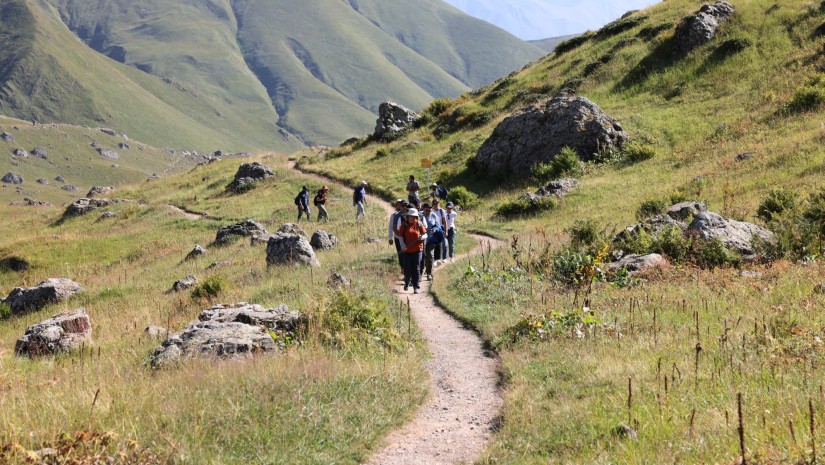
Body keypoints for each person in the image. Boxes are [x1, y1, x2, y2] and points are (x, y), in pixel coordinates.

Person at [398, 208, 427, 293]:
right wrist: (403, 246)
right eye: (411, 216)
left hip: (417, 250)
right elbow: (400, 237)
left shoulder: (419, 224)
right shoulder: (404, 225)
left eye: (414, 216)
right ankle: (407, 282)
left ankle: (416, 286)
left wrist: (421, 237)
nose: (412, 218)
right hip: (406, 251)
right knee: (407, 268)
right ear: (408, 216)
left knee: (416, 268)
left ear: (416, 217)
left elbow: (425, 234)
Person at [419, 203, 441, 280]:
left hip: (431, 239)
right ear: (423, 209)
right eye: (426, 209)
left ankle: (429, 273)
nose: (428, 211)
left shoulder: (434, 215)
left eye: (429, 209)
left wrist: (435, 229)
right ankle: (420, 273)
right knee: (422, 256)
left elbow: (438, 226)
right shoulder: (419, 215)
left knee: (430, 255)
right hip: (421, 239)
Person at [388, 199, 406, 269]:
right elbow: (391, 226)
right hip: (397, 237)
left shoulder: (408, 214)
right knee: (400, 253)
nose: (399, 206)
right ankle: (402, 267)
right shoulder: (394, 215)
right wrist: (390, 237)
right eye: (397, 204)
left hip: (406, 237)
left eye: (400, 204)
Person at [431, 199, 448, 263]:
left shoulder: (441, 211)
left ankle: (443, 257)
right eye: (434, 204)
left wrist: (446, 231)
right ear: (433, 205)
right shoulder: (431, 211)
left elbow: (445, 222)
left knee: (444, 243)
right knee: (436, 244)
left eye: (437, 203)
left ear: (439, 204)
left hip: (441, 228)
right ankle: (436, 259)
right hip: (434, 229)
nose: (436, 205)